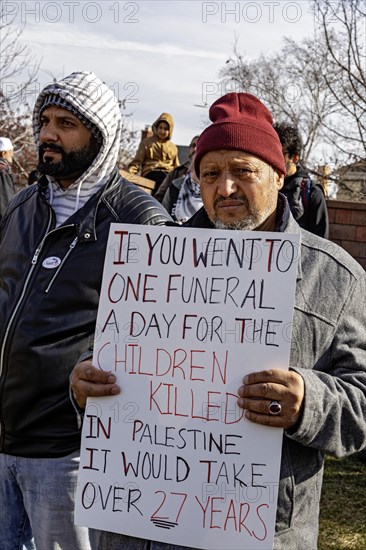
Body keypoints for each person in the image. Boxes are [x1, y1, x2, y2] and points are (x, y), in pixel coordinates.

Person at [70, 93, 366, 550]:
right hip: (138, 527)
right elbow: (118, 368)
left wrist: (308, 402)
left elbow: (361, 403)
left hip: (259, 533)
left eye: (242, 171)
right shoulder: (149, 265)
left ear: (278, 173)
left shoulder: (336, 275)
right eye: (210, 174)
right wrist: (85, 388)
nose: (224, 188)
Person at [0, 71, 171, 550]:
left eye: (66, 124)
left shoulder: (139, 220)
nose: (47, 134)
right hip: (4, 440)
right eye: (44, 121)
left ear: (99, 136)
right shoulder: (22, 206)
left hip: (69, 456)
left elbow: (161, 338)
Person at [274, 122, 329, 238]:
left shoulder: (312, 192)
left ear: (295, 157)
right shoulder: (263, 186)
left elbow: (321, 241)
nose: (273, 160)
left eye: (279, 154)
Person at [127, 113, 180, 195]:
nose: (162, 131)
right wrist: (129, 173)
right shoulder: (147, 142)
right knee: (164, 181)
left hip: (168, 174)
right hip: (151, 172)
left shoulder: (173, 147)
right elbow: (137, 161)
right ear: (156, 128)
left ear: (170, 131)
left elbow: (176, 166)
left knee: (173, 184)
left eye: (166, 129)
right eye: (160, 128)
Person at [155, 135, 199, 202]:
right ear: (189, 149)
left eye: (199, 145)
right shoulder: (176, 172)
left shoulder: (208, 174)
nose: (195, 149)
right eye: (193, 146)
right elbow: (160, 195)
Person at [162, 153, 203, 223]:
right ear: (190, 168)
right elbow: (163, 215)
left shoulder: (218, 190)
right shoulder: (176, 186)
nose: (200, 171)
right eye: (196, 166)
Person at [0, 136, 15, 221]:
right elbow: (5, 201)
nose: (12, 155)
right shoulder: (3, 170)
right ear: (4, 153)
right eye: (11, 152)